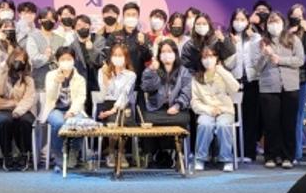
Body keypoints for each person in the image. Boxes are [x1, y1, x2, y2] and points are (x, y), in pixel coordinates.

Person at [252, 10, 304, 169]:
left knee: (288, 124)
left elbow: (300, 60)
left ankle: (288, 156)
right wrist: (264, 55)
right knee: (271, 124)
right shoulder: (261, 42)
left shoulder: (293, 39)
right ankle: (271, 156)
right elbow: (256, 68)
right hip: (268, 88)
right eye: (270, 22)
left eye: (277, 21)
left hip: (290, 86)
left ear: (283, 23)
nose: (273, 25)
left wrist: (280, 59)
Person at [140, 39, 192, 168]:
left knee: (182, 119)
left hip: (177, 110)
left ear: (175, 53)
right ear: (159, 54)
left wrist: (177, 106)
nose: (166, 54)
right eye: (163, 52)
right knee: (147, 121)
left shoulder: (183, 71)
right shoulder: (151, 70)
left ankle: (172, 153)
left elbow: (187, 92)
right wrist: (153, 71)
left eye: (169, 51)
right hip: (156, 110)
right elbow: (147, 88)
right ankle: (155, 154)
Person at [191, 45, 239, 172]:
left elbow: (235, 87)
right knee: (204, 124)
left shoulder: (223, 73)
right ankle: (200, 158)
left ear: (217, 58)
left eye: (211, 56)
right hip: (207, 111)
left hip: (225, 110)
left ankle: (226, 159)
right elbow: (195, 102)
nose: (208, 60)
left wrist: (221, 70)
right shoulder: (196, 78)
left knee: (223, 125)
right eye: (205, 57)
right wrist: (208, 110)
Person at [40, 46, 87, 171]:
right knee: (59, 123)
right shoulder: (50, 75)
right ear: (57, 61)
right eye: (63, 59)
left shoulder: (80, 78)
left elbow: (81, 98)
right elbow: (50, 97)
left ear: (74, 60)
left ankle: (73, 152)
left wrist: (72, 112)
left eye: (69, 59)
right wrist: (56, 83)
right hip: (55, 109)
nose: (66, 62)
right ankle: (58, 154)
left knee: (79, 122)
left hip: (73, 110)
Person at [0, 47, 36, 171]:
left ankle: (24, 154)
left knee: (25, 121)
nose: (18, 62)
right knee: (4, 121)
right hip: (1, 110)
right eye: (16, 59)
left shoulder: (28, 80)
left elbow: (28, 99)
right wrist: (3, 72)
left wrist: (17, 110)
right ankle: (7, 155)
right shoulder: (0, 74)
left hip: (22, 110)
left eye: (22, 60)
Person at [229, 7, 262, 163]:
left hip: (252, 82)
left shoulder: (255, 37)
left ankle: (249, 152)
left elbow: (258, 60)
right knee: (234, 117)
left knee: (251, 118)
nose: (239, 22)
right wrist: (234, 46)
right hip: (234, 82)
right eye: (237, 19)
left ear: (248, 21)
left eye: (242, 19)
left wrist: (254, 38)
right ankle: (236, 151)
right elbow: (228, 64)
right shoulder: (229, 38)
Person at [98, 43, 137, 167]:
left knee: (123, 119)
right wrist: (106, 77)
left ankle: (121, 152)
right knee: (113, 122)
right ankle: (111, 152)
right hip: (107, 103)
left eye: (120, 55)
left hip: (123, 105)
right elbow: (104, 93)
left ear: (126, 58)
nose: (117, 58)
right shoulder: (103, 71)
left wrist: (114, 109)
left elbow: (125, 94)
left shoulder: (131, 75)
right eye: (115, 55)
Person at [288, 3, 306, 164]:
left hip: (302, 79)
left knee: (298, 117)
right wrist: (289, 33)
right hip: (285, 79)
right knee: (286, 117)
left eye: (300, 16)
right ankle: (286, 151)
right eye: (294, 16)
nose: (297, 19)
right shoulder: (284, 32)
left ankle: (296, 153)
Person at [26, 6, 65, 91]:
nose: (49, 21)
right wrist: (47, 56)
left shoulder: (60, 39)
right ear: (40, 20)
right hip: (39, 81)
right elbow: (34, 60)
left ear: (55, 21)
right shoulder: (33, 38)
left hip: (57, 80)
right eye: (46, 18)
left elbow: (63, 60)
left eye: (52, 19)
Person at [74, 14, 106, 116]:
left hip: (96, 80)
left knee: (98, 112)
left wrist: (92, 49)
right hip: (81, 83)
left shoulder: (99, 39)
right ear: (75, 28)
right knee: (84, 112)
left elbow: (101, 61)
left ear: (90, 26)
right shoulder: (73, 44)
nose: (82, 28)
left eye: (85, 25)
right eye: (79, 25)